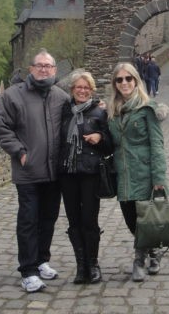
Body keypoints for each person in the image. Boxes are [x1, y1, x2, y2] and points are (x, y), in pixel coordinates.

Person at [0, 49, 69, 293]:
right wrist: (20, 152)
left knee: (48, 219)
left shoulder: (60, 96)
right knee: (28, 220)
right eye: (39, 65)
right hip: (28, 172)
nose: (44, 69)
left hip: (53, 172)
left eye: (48, 66)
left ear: (55, 70)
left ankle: (41, 260)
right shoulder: (13, 96)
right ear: (31, 68)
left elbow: (74, 122)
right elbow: (3, 129)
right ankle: (27, 270)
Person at [107, 62, 169, 282]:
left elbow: (157, 145)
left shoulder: (147, 108)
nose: (124, 83)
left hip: (144, 174)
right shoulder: (112, 111)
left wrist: (159, 177)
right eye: (119, 79)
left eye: (128, 79)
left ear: (136, 81)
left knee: (145, 221)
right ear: (114, 84)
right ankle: (152, 251)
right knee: (131, 221)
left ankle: (139, 260)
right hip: (123, 176)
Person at [58, 70, 113, 284]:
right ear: (72, 90)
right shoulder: (64, 111)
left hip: (90, 173)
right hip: (68, 173)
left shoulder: (100, 112)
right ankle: (81, 266)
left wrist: (100, 137)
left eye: (86, 88)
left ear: (92, 90)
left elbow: (110, 143)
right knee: (74, 222)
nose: (82, 91)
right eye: (78, 87)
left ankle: (93, 264)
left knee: (89, 220)